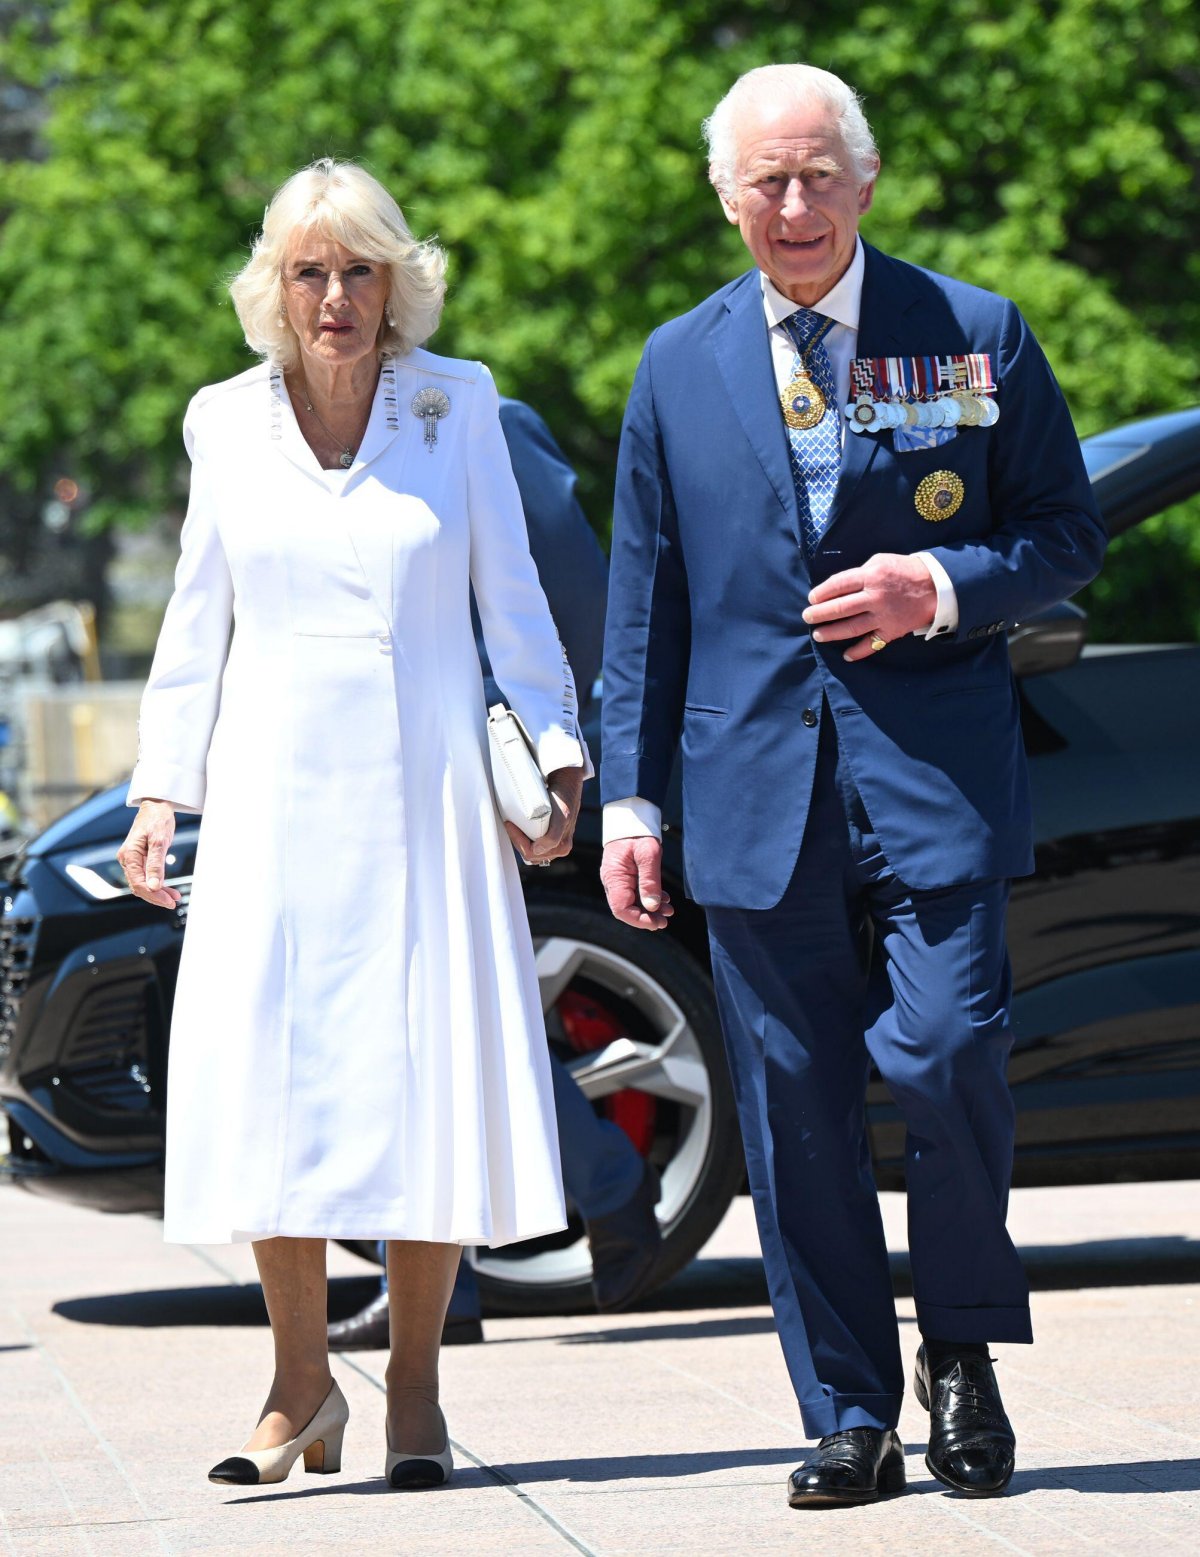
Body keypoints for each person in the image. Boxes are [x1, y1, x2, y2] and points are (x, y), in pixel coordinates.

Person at [600, 64, 1106, 1508]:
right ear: (726, 197)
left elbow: (1064, 533)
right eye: (767, 179)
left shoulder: (974, 333)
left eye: (819, 173)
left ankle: (963, 1353)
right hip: (751, 792)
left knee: (948, 1053)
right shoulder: (675, 366)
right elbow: (645, 606)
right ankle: (848, 1412)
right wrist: (632, 801)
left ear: (866, 180)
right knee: (795, 1109)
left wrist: (935, 585)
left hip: (935, 781)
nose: (796, 203)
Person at [117, 158, 591, 1492]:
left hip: (427, 799)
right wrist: (160, 790)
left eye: (359, 271)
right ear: (275, 289)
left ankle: (417, 1391)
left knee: (425, 1081)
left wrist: (557, 752)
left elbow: (514, 599)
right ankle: (299, 1385)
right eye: (309, 272)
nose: (334, 296)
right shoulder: (222, 421)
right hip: (271, 802)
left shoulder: (459, 403)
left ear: (397, 284)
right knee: (273, 1086)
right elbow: (195, 620)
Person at [327, 397, 660, 1352]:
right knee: (406, 1018)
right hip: (362, 771)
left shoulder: (487, 419)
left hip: (476, 772)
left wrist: (554, 751)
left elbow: (580, 602)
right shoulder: (317, 443)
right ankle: (451, 1278)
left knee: (453, 1014)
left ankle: (592, 1196)